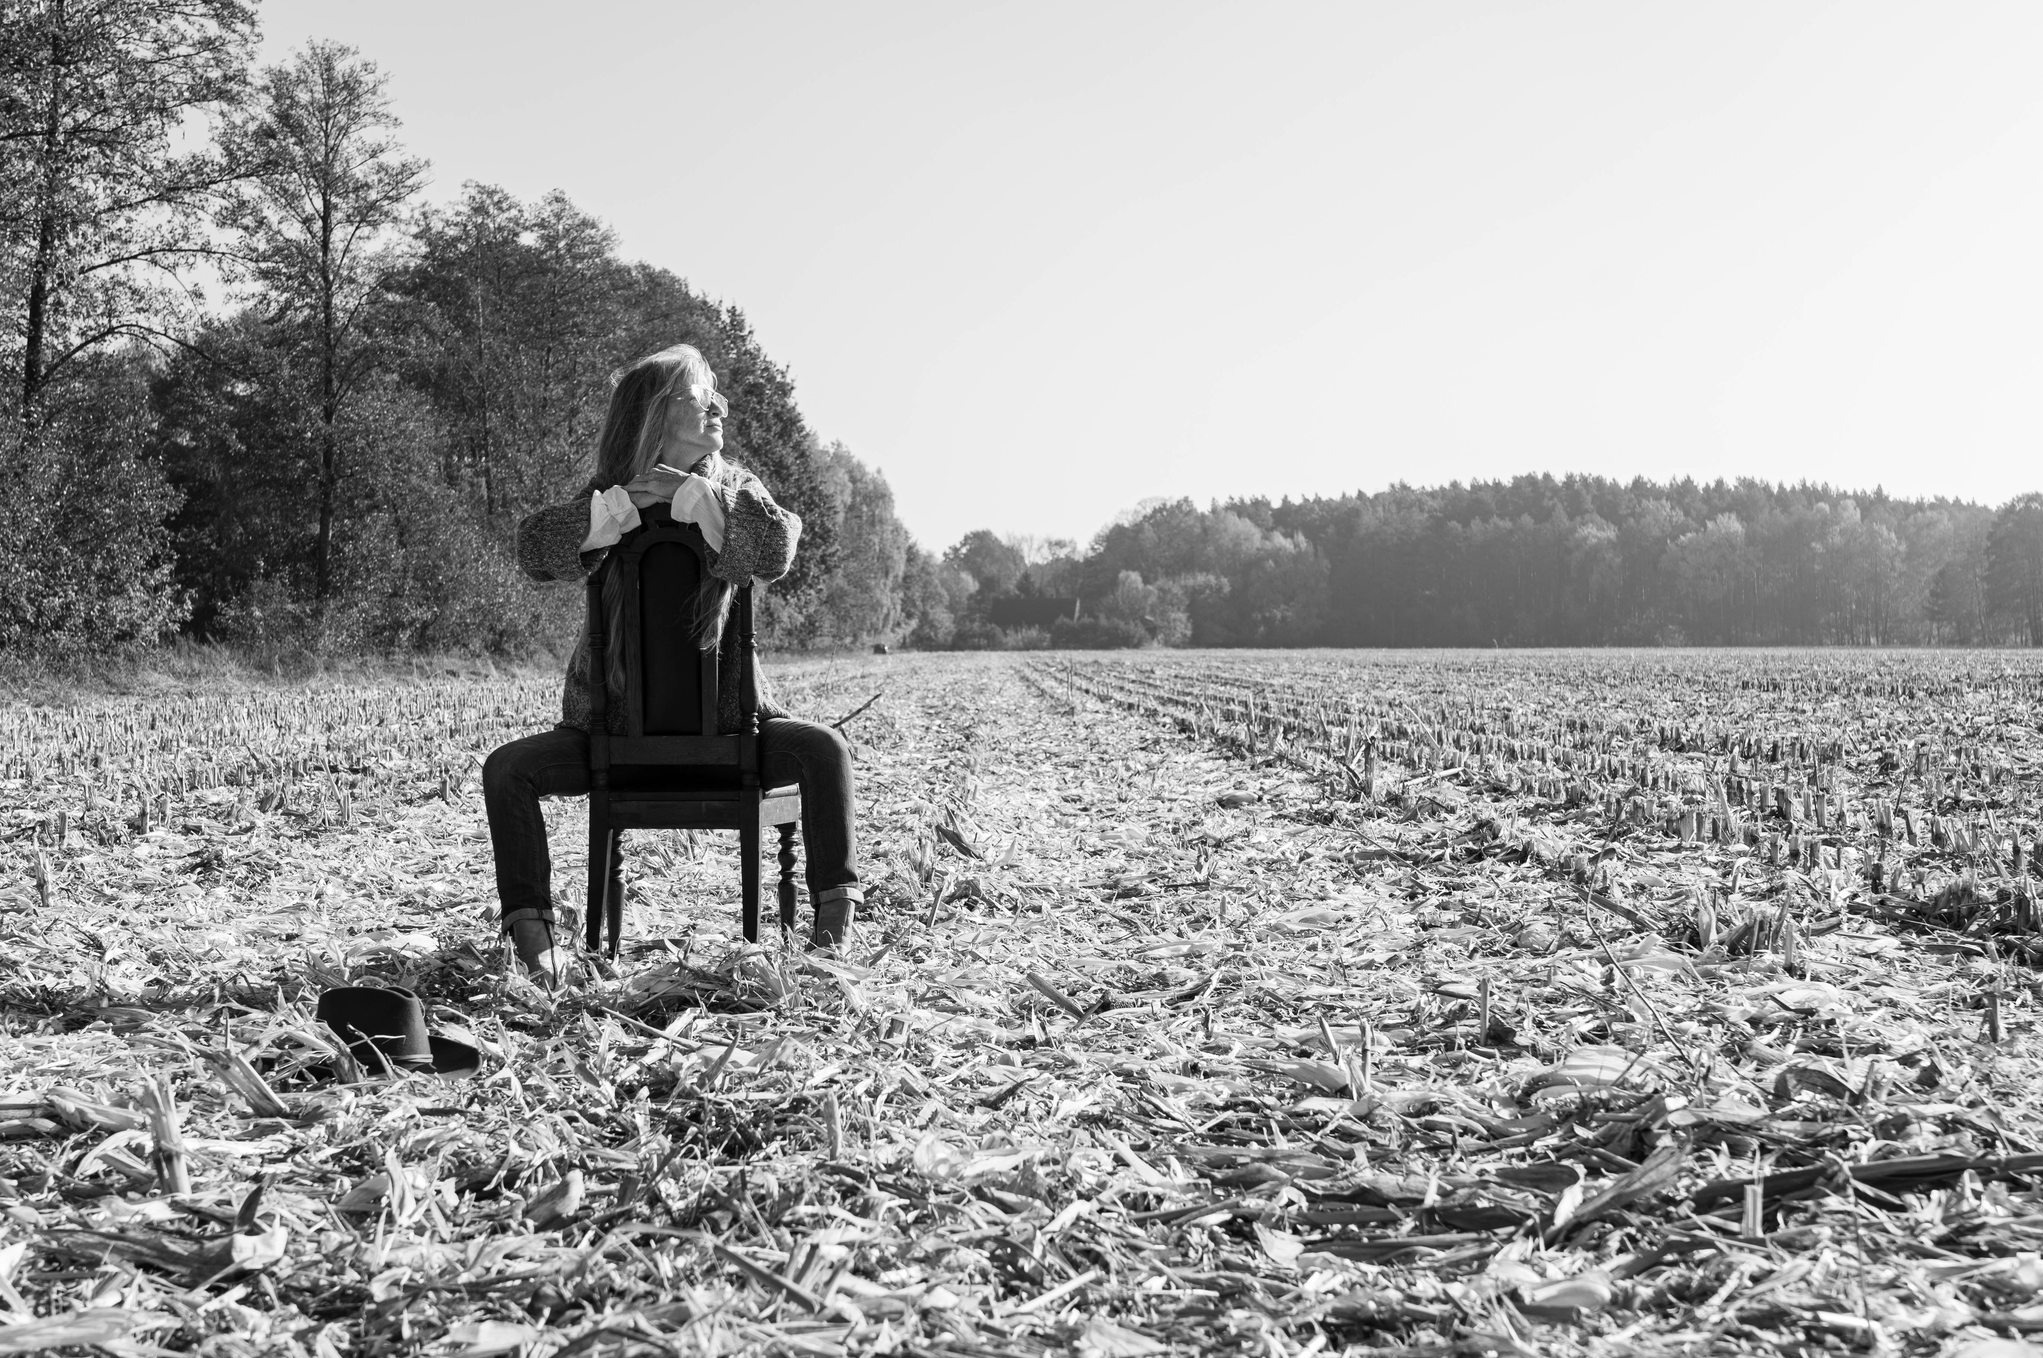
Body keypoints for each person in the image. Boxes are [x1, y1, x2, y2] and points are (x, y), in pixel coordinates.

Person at [483, 343, 861, 983]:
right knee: (506, 771)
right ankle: (534, 939)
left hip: (735, 734)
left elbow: (778, 548)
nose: (718, 406)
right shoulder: (607, 493)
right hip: (606, 739)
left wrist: (698, 500)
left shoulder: (735, 487)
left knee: (826, 752)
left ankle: (832, 940)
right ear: (655, 411)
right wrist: (612, 515)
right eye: (698, 394)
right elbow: (532, 547)